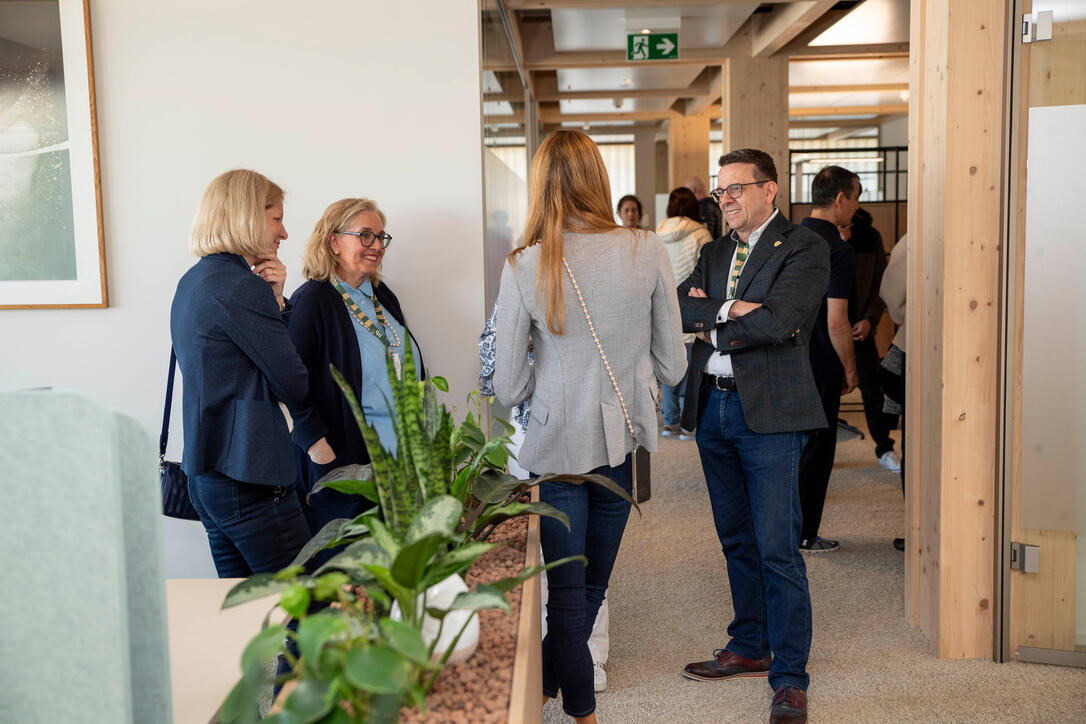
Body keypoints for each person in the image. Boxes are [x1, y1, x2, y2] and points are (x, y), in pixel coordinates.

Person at [494, 130, 686, 723]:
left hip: (556, 444)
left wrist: (544, 390)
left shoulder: (526, 263)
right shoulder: (645, 248)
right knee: (591, 590)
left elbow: (506, 384)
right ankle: (582, 708)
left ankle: (554, 688)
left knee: (570, 598)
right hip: (621, 439)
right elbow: (674, 365)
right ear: (599, 178)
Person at [677, 148, 828, 724]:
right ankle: (749, 644)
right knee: (735, 537)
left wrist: (713, 317)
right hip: (712, 412)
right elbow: (680, 310)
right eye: (721, 191)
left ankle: (790, 676)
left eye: (737, 188)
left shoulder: (805, 248)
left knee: (777, 548)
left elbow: (780, 321)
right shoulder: (713, 251)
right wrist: (731, 308)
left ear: (770, 191)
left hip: (770, 415)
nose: (726, 200)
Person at [170, 169, 312, 577]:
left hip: (207, 475)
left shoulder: (193, 281)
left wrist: (276, 300)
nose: (283, 233)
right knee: (306, 611)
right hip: (251, 479)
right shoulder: (240, 288)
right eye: (276, 218)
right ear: (247, 216)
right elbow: (294, 382)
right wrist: (274, 301)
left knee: (247, 614)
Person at [287, 198, 424, 535]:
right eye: (365, 236)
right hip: (348, 473)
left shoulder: (383, 296)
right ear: (334, 242)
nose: (376, 245)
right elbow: (288, 382)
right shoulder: (313, 300)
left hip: (401, 467)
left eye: (380, 237)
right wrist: (317, 446)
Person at [795, 165, 861, 554]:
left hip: (784, 360)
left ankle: (781, 530)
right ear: (840, 199)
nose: (855, 206)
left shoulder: (787, 239)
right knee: (818, 452)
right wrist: (850, 369)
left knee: (788, 451)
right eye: (854, 197)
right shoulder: (837, 249)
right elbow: (837, 321)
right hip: (820, 364)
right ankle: (805, 533)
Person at [841, 208, 901, 473]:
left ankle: (885, 447)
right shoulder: (817, 234)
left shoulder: (869, 236)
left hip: (861, 328)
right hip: (826, 332)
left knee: (872, 391)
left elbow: (881, 283)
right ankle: (817, 455)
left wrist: (869, 319)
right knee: (823, 394)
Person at [656, 186, 712, 440]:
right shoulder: (701, 234)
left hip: (663, 307)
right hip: (692, 307)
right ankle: (688, 425)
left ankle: (670, 422)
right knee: (691, 369)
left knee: (667, 366)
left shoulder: (657, 233)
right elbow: (710, 274)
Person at [879, 234, 908, 550]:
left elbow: (892, 293)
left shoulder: (918, 235)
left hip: (922, 341)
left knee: (917, 441)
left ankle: (919, 524)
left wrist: (906, 317)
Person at [685, 175, 723, 241]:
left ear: (692, 190)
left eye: (686, 191)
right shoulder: (714, 204)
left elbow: (705, 238)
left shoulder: (703, 208)